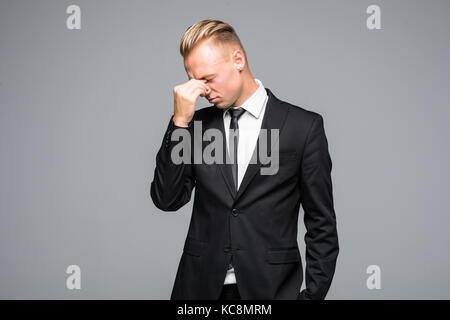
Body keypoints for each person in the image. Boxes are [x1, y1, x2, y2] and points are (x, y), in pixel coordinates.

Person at [150, 19, 339, 300]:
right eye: (194, 81)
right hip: (199, 290)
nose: (202, 91)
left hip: (271, 290)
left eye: (207, 79)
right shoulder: (195, 126)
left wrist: (312, 296)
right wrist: (179, 123)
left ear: (238, 59)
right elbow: (167, 199)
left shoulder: (303, 127)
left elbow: (321, 223)